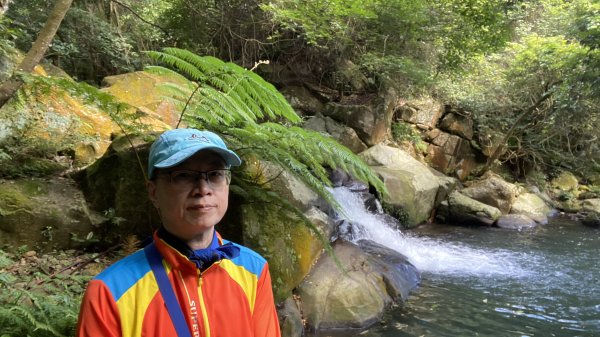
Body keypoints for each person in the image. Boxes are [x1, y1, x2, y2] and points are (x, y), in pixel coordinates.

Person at [76, 128, 281, 337]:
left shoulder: (254, 270)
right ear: (153, 192)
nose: (203, 188)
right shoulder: (110, 293)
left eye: (215, 174)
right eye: (183, 175)